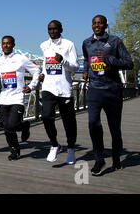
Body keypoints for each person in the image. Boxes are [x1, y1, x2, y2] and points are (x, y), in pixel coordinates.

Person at [82, 15, 133, 176]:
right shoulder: (86, 43)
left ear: (105, 25)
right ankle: (99, 159)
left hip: (112, 89)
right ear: (92, 26)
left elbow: (129, 63)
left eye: (100, 23)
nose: (97, 25)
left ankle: (116, 157)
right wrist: (85, 71)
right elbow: (86, 59)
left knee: (114, 128)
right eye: (94, 23)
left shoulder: (115, 41)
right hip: (95, 90)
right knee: (93, 124)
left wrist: (110, 59)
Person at [0, 36, 40, 160]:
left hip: (17, 98)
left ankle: (19, 139)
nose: (6, 45)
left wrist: (31, 86)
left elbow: (36, 71)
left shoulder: (21, 59)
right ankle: (19, 139)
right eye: (3, 43)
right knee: (5, 126)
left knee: (11, 125)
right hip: (4, 98)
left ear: (13, 45)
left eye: (8, 43)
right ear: (1, 45)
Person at [39, 20, 79, 164]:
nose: (53, 31)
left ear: (61, 29)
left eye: (55, 29)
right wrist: (42, 73)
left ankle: (71, 148)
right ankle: (55, 145)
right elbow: (46, 64)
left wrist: (63, 61)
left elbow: (75, 67)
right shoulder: (44, 45)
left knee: (69, 122)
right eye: (50, 29)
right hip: (48, 87)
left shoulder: (69, 44)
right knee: (45, 116)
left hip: (64, 89)